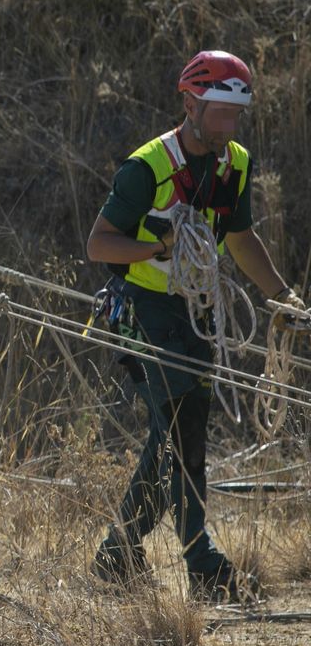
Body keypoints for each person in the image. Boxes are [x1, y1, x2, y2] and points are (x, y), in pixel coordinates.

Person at [86, 50, 306, 602]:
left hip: (197, 311)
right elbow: (99, 243)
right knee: (176, 429)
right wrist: (158, 245)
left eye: (235, 117)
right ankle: (202, 562)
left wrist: (281, 297)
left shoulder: (234, 163)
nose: (227, 128)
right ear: (190, 104)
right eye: (217, 115)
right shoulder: (147, 167)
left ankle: (118, 552)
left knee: (182, 433)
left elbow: (239, 237)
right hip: (143, 308)